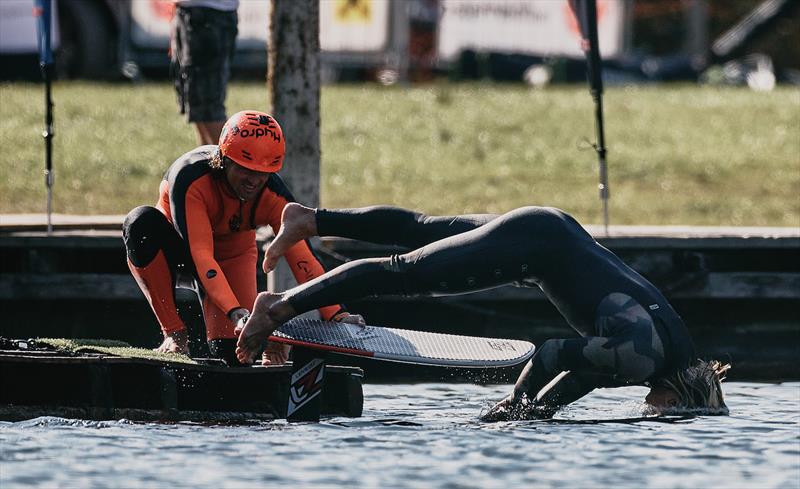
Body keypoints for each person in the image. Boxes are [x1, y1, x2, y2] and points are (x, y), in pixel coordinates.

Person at [235, 203, 731, 418]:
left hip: (550, 229)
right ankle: (278, 308)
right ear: (683, 396)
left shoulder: (671, 349)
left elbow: (586, 373)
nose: (654, 412)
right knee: (404, 272)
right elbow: (553, 354)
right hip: (532, 248)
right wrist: (517, 406)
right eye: (667, 413)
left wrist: (543, 412)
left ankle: (309, 219)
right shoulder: (645, 361)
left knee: (424, 229)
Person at [123, 111, 361, 366]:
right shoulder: (191, 179)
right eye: (246, 170)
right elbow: (202, 256)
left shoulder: (273, 194)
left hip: (231, 257)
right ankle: (174, 334)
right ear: (224, 160)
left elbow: (303, 258)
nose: (254, 181)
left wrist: (337, 314)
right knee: (139, 222)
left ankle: (272, 346)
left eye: (263, 173)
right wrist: (236, 312)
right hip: (180, 251)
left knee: (234, 355)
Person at [170, 0, 239, 145]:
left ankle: (231, 165)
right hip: (188, 11)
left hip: (209, 14)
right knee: (197, 108)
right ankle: (207, 166)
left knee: (209, 109)